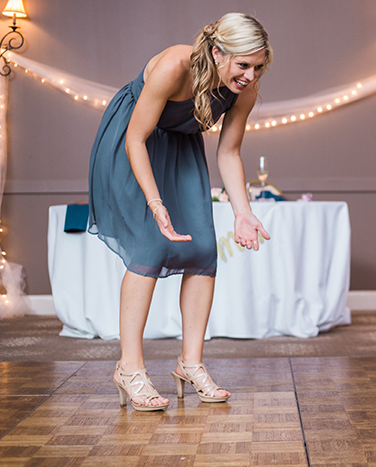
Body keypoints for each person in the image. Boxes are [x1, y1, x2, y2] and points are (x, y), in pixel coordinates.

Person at [88, 13, 272, 411]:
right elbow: (135, 138)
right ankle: (129, 368)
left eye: (258, 66)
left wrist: (242, 211)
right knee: (150, 248)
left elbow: (229, 151)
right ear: (217, 51)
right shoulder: (175, 65)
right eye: (242, 65)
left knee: (204, 250)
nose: (249, 75)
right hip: (134, 143)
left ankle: (191, 363)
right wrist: (157, 204)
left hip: (182, 148)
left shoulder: (246, 90)